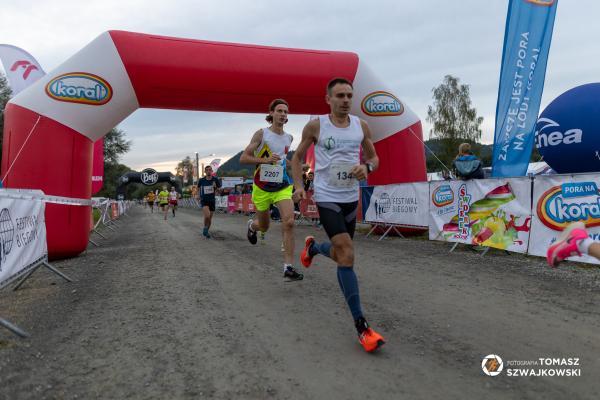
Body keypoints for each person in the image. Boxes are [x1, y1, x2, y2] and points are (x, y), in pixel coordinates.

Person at [291, 77, 385, 352]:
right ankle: (362, 327)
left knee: (341, 254)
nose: (345, 100)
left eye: (349, 96)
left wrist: (367, 167)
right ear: (328, 99)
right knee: (347, 254)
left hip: (350, 198)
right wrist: (299, 186)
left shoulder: (361, 126)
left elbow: (374, 158)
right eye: (340, 96)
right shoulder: (316, 126)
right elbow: (296, 158)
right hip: (326, 196)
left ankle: (314, 248)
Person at [240, 98, 303, 282]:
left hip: (282, 185)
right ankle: (252, 226)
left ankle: (288, 267)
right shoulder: (262, 134)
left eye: (285, 112)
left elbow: (282, 159)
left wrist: (297, 166)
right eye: (279, 111)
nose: (283, 114)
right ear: (271, 113)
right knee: (264, 226)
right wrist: (265, 160)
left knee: (289, 221)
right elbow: (244, 158)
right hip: (261, 187)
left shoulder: (289, 138)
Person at [197, 165, 222, 238]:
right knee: (207, 216)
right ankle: (205, 228)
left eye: (210, 170)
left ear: (212, 171)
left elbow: (219, 191)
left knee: (210, 218)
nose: (208, 171)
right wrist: (198, 195)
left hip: (212, 201)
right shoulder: (202, 180)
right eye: (207, 170)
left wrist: (215, 187)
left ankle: (206, 230)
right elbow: (198, 188)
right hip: (204, 200)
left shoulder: (215, 180)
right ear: (205, 171)